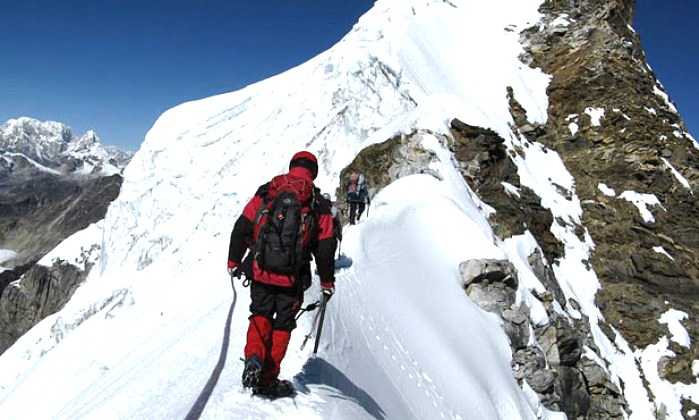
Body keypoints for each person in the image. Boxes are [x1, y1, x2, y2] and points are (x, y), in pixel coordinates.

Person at [227, 151, 336, 397]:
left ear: (292, 166)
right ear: (313, 172)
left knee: (260, 315)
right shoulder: (318, 203)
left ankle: (254, 358)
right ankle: (267, 378)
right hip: (292, 278)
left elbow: (242, 226)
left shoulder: (268, 191)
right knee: (283, 324)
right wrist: (327, 282)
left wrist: (234, 260)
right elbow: (326, 247)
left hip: (260, 270)